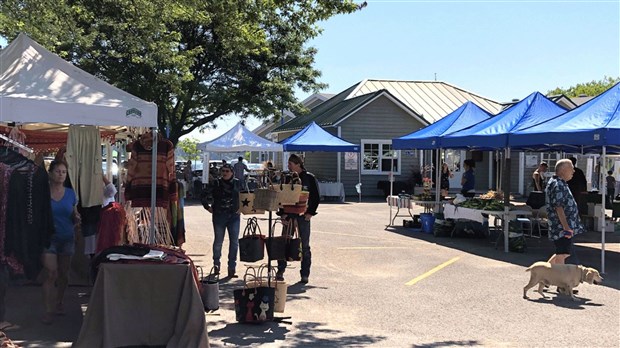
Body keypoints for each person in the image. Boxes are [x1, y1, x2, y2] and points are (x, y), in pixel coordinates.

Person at [42, 160, 80, 325]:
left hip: (67, 236)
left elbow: (74, 213)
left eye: (64, 172)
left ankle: (59, 301)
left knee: (64, 274)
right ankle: (48, 310)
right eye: (58, 171)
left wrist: (77, 218)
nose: (61, 174)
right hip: (48, 237)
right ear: (50, 173)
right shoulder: (42, 193)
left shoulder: (71, 194)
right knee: (51, 273)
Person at [276, 154, 320, 284]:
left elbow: (316, 197)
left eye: (290, 164)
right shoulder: (287, 178)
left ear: (298, 164)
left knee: (304, 245)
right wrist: (282, 214)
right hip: (289, 215)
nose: (288, 166)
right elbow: (282, 197)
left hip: (303, 215)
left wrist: (310, 212)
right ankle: (280, 271)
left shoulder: (309, 178)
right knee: (284, 242)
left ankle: (305, 274)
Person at [200, 163, 241, 278]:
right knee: (218, 241)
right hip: (219, 215)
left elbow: (246, 195)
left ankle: (232, 268)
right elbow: (203, 194)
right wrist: (207, 207)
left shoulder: (238, 183)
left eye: (227, 171)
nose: (225, 173)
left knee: (234, 242)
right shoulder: (216, 183)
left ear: (232, 172)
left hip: (234, 216)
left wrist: (243, 208)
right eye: (223, 171)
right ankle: (216, 265)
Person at [545, 159, 584, 269]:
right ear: (563, 170)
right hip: (561, 227)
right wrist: (566, 227)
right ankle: (561, 284)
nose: (573, 171)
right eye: (571, 168)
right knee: (562, 254)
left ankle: (544, 275)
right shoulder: (558, 184)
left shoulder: (559, 183)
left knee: (563, 253)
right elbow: (559, 207)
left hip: (563, 226)